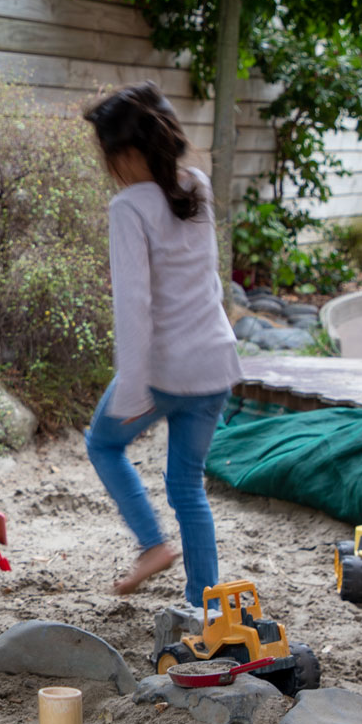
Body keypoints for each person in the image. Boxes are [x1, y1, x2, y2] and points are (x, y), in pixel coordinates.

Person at [82, 83, 242, 608]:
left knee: (103, 445)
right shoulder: (197, 185)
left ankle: (152, 545)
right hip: (215, 362)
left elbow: (134, 305)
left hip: (165, 370)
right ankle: (205, 605)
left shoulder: (129, 206)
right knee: (188, 487)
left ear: (127, 154)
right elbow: (206, 278)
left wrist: (133, 388)